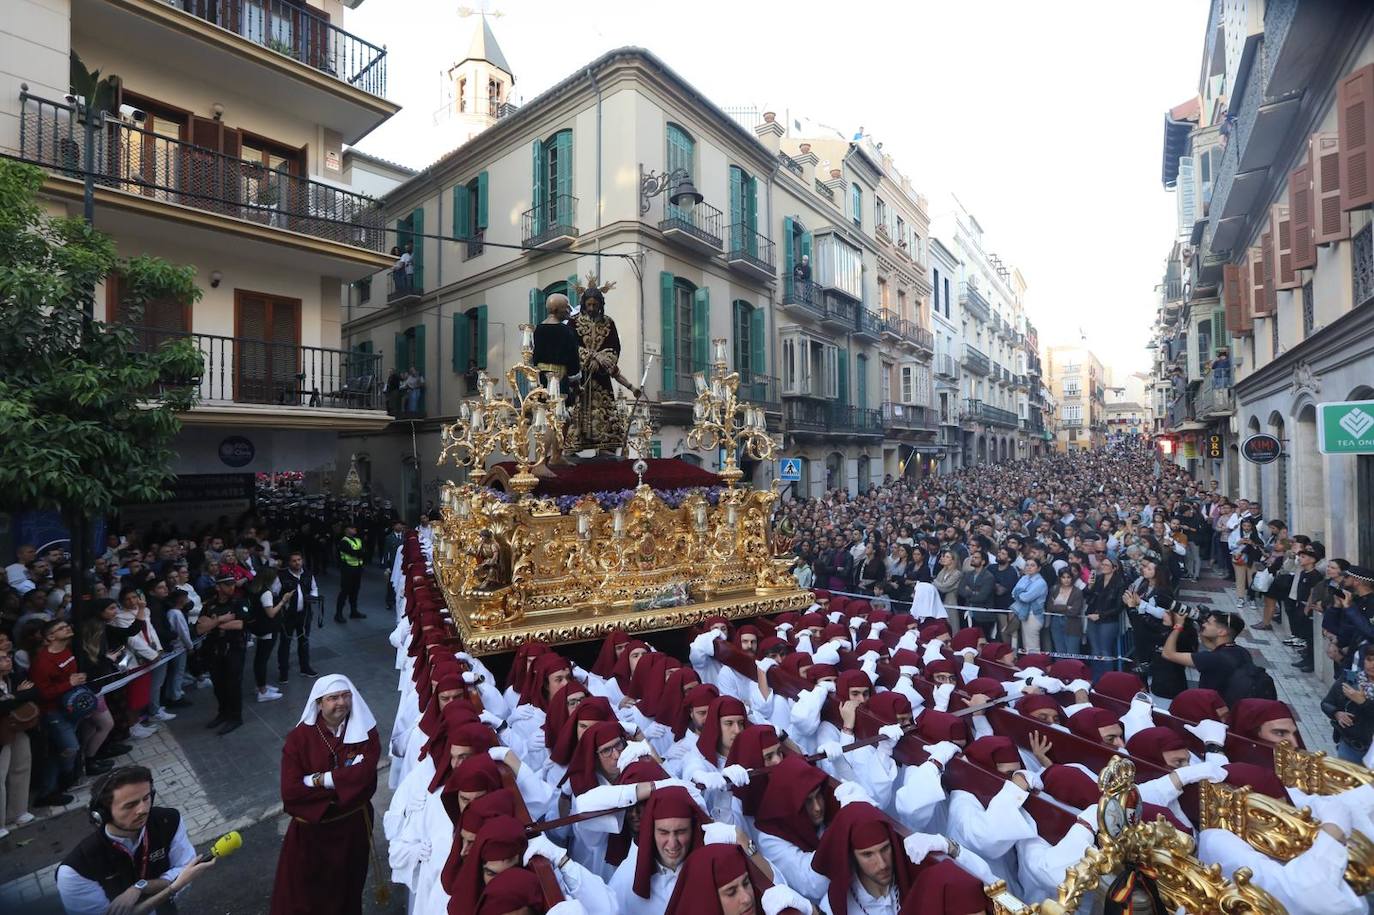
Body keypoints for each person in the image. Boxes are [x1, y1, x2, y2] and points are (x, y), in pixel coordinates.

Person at [269, 675, 381, 915]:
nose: (341, 702)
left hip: (352, 831)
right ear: (319, 703)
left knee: (348, 890)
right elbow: (291, 793)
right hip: (312, 834)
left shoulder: (365, 733)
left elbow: (366, 779)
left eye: (346, 696)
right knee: (305, 896)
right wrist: (344, 789)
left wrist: (320, 780)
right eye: (333, 698)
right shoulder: (298, 739)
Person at [56, 765, 213, 915]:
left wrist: (140, 887)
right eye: (130, 805)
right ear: (102, 814)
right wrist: (171, 888)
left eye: (146, 798)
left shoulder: (168, 820)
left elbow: (186, 868)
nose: (143, 810)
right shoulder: (75, 870)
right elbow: (183, 878)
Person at [568, 284, 625, 454]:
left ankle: (605, 445)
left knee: (604, 410)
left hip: (600, 377)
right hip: (580, 377)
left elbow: (614, 347)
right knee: (576, 411)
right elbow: (571, 347)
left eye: (595, 305)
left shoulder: (608, 323)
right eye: (589, 305)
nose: (592, 308)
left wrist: (600, 363)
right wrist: (588, 359)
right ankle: (572, 444)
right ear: (584, 303)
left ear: (600, 304)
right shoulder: (574, 322)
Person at [196, 575, 251, 736]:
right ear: (218, 587)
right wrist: (222, 620)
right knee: (218, 684)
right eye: (227, 584)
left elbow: (240, 623)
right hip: (214, 650)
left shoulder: (239, 602)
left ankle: (235, 717)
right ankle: (223, 713)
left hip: (234, 649)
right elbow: (200, 628)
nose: (231, 587)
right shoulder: (210, 604)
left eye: (233, 584)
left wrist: (213, 623)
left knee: (233, 684)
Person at [1321, 644, 1374, 763]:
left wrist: (1363, 702)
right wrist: (1337, 714)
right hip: (1350, 745)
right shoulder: (1350, 679)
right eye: (1369, 659)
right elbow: (1326, 703)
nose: (1372, 665)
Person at [248, 569, 287, 704]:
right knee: (262, 660)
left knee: (260, 658)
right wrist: (283, 601)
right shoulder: (266, 593)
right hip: (267, 629)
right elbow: (271, 613)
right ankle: (262, 691)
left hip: (260, 628)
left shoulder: (256, 590)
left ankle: (261, 686)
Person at [335, 524, 366, 623]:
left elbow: (364, 552)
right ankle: (338, 614)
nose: (355, 529)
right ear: (347, 529)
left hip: (357, 568)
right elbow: (353, 553)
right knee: (344, 591)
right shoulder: (344, 541)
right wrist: (359, 552)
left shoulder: (358, 540)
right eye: (352, 528)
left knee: (355, 591)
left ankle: (354, 611)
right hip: (347, 569)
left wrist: (358, 552)